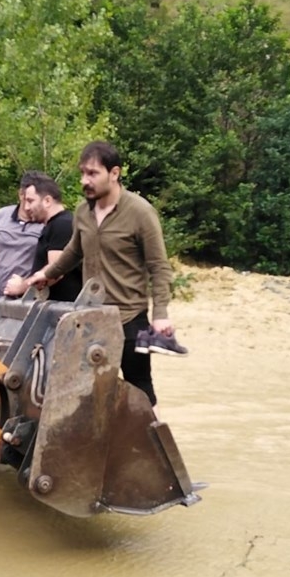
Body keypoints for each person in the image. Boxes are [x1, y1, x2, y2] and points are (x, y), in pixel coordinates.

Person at [26, 141, 187, 412]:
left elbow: (159, 266)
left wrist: (160, 314)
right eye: (82, 173)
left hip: (129, 316)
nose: (84, 181)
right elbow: (74, 251)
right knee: (86, 388)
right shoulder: (82, 213)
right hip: (91, 316)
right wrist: (45, 274)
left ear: (114, 173)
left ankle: (155, 447)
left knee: (139, 386)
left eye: (92, 174)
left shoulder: (140, 212)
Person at [3, 175, 82, 301]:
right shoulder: (52, 225)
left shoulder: (62, 225)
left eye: (30, 201)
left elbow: (55, 272)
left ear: (47, 201)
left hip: (62, 310)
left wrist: (22, 287)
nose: (26, 207)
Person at [0, 171, 46, 297]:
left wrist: (26, 284)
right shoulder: (1, 216)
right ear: (21, 194)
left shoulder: (47, 223)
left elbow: (55, 264)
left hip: (31, 299)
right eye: (29, 199)